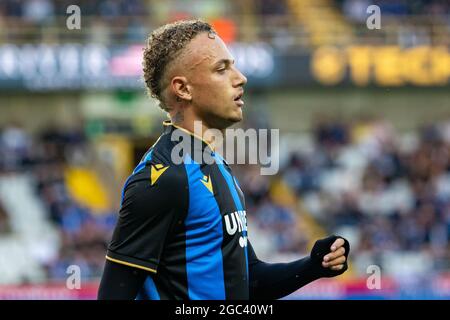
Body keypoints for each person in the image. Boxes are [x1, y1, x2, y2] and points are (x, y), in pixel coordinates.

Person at [97, 19, 350, 300]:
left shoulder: (215, 164)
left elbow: (248, 280)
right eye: (222, 69)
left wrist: (313, 266)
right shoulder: (163, 178)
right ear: (183, 89)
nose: (240, 78)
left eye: (233, 65)